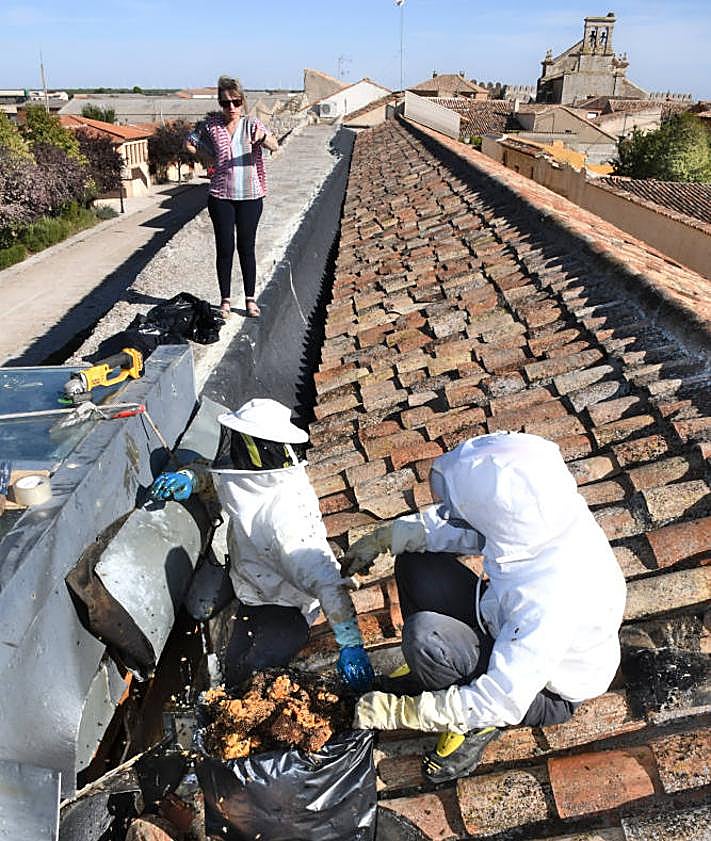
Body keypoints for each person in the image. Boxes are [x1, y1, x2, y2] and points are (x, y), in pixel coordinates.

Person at [344, 432, 626, 783]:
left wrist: (404, 712)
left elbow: (504, 697)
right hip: (499, 622)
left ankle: (471, 726)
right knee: (416, 561)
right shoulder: (534, 517)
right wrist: (390, 536)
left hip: (539, 690)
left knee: (424, 639)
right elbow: (464, 528)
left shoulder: (554, 595)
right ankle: (439, 673)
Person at [151, 398, 374, 694]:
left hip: (287, 606)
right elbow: (218, 480)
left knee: (251, 678)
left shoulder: (287, 521)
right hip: (251, 586)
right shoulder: (252, 480)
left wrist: (350, 643)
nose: (233, 449)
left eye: (241, 443)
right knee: (232, 667)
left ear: (255, 448)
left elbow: (327, 580)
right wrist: (190, 479)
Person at [186, 75, 279, 320]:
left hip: (250, 196)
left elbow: (275, 144)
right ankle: (225, 300)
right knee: (224, 248)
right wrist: (206, 157)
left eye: (235, 102)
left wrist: (263, 138)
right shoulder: (211, 125)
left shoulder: (252, 124)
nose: (231, 108)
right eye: (225, 103)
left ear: (242, 101)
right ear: (220, 103)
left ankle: (250, 299)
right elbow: (189, 143)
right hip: (221, 196)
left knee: (246, 248)